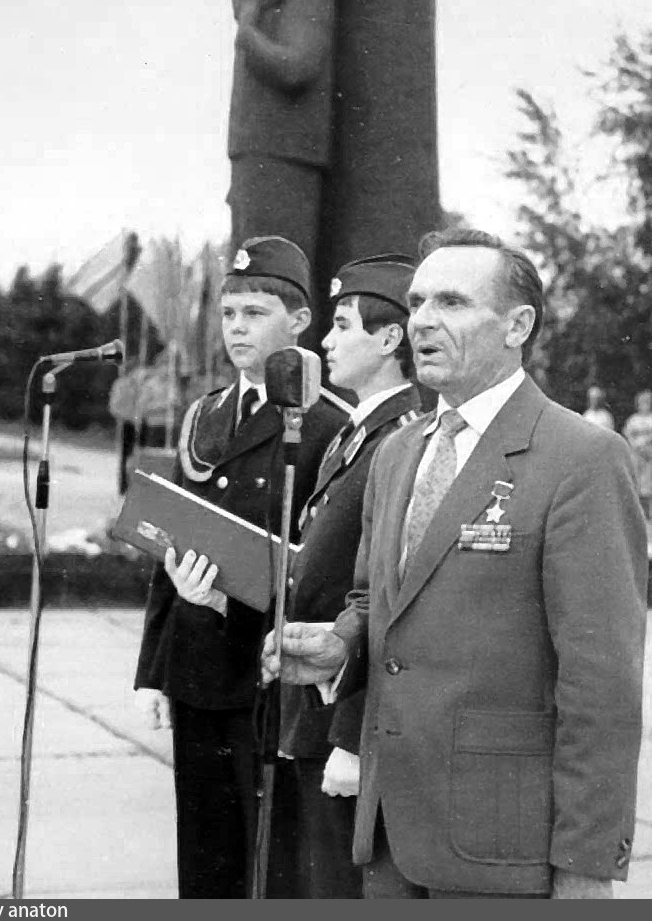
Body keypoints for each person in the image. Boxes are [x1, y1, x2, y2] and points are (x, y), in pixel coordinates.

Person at [264, 228, 648, 899]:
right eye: (417, 302)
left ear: (517, 326)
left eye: (452, 302)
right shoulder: (398, 453)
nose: (422, 321)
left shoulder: (580, 458)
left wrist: (586, 866)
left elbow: (602, 683)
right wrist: (341, 646)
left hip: (501, 843)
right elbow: (376, 599)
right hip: (390, 833)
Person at [170, 252, 421, 898]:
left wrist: (351, 735)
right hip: (305, 704)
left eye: (342, 325)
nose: (327, 342)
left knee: (331, 886)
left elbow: (382, 599)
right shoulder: (358, 437)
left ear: (389, 339)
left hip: (335, 711)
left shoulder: (397, 439)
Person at [133, 235, 349, 899]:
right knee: (203, 855)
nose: (236, 328)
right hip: (196, 666)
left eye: (254, 313)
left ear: (299, 320)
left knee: (272, 861)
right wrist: (153, 670)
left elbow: (327, 571)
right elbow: (173, 539)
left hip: (266, 678)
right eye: (228, 314)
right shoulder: (207, 414)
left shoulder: (329, 425)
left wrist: (231, 602)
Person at [227, 0, 335, 347]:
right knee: (252, 279)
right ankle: (263, 377)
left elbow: (297, 65)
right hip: (258, 151)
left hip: (284, 152)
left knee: (277, 281)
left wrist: (247, 32)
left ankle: (288, 377)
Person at [622, 390, 652, 520]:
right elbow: (627, 433)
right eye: (642, 402)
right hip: (636, 453)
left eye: (647, 402)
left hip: (651, 453)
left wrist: (646, 441)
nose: (645, 405)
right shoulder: (633, 419)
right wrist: (634, 444)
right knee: (636, 482)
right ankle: (637, 512)